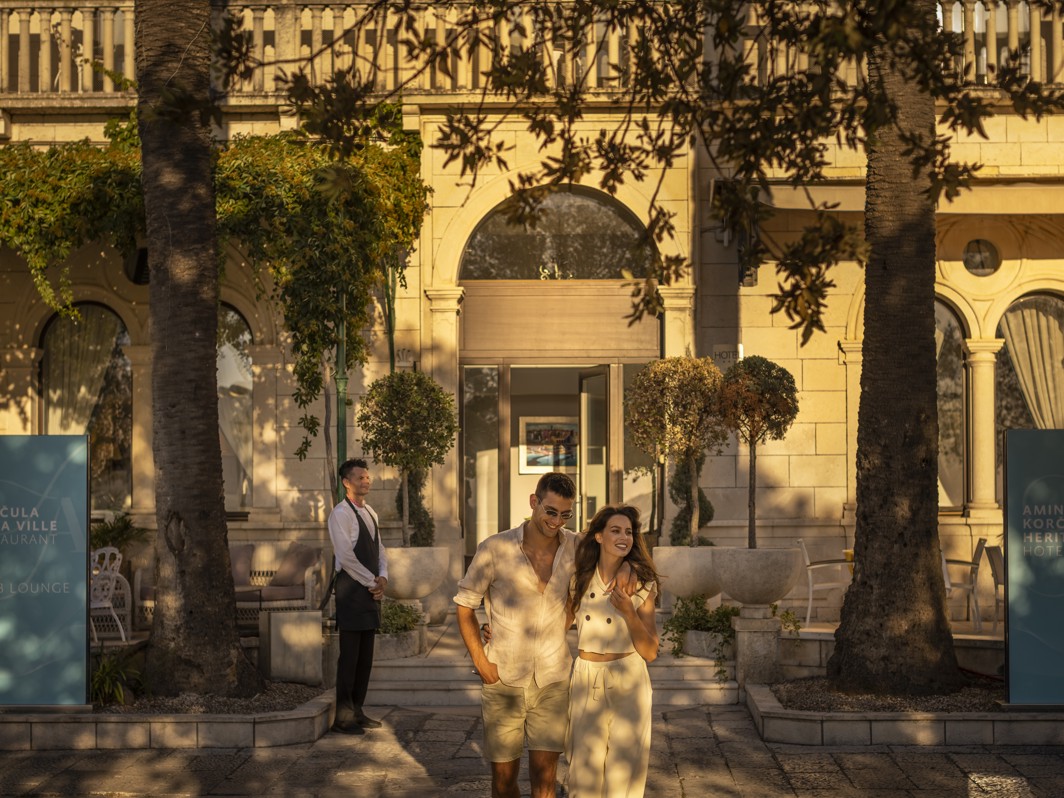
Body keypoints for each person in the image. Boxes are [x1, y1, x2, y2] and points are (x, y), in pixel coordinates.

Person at [454, 472, 580, 798]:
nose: (556, 521)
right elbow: (465, 606)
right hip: (503, 679)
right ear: (534, 502)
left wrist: (557, 627)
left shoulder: (575, 547)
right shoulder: (494, 548)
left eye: (565, 514)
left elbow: (616, 546)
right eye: (550, 511)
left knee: (545, 780)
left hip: (553, 678)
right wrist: (482, 663)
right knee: (504, 782)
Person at [565, 504, 659, 798]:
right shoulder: (578, 579)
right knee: (583, 770)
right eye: (615, 530)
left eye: (629, 532)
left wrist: (628, 612)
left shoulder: (641, 583)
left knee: (624, 772)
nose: (624, 537)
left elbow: (650, 652)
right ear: (598, 537)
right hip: (586, 677)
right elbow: (556, 624)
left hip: (628, 678)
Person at [328, 458, 387, 735]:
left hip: (370, 590)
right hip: (352, 591)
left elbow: (380, 548)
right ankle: (343, 718)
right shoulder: (340, 514)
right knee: (349, 657)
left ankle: (358, 711)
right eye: (360, 477)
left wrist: (383, 577)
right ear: (346, 482)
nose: (366, 480)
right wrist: (370, 582)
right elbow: (345, 556)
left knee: (365, 657)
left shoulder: (371, 512)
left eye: (367, 477)